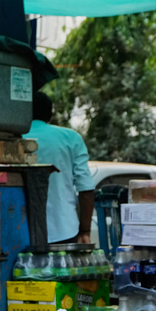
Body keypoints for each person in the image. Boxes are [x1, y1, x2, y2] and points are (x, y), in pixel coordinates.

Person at [25, 92, 95, 244]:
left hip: (20, 230)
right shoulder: (71, 138)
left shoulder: (13, 137)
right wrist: (85, 231)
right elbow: (86, 190)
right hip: (64, 230)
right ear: (50, 114)